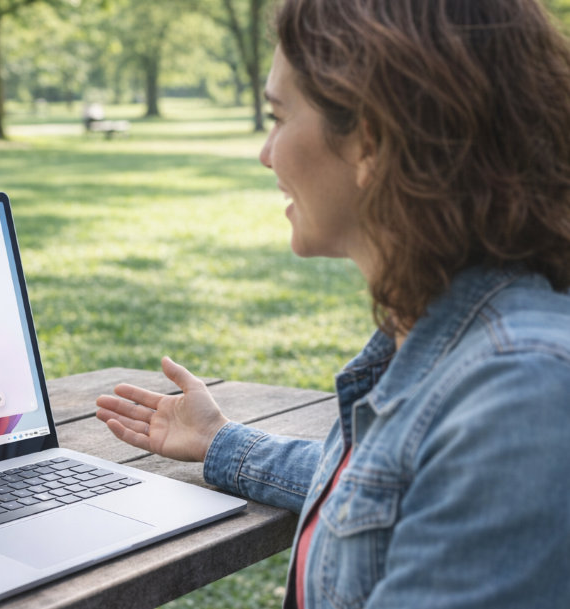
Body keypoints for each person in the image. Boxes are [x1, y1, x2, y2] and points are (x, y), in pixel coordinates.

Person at [95, 1, 570, 607]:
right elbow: (386, 485)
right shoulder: (439, 329)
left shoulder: (518, 396)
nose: (266, 154)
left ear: (369, 139)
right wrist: (220, 442)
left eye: (278, 116)